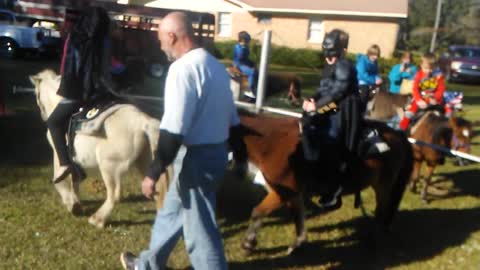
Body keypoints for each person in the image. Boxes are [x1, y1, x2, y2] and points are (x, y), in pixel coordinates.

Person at [120, 12, 240, 270]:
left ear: (172, 36)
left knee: (200, 230)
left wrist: (153, 172)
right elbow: (233, 119)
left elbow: (173, 130)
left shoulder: (182, 69)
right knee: (171, 212)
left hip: (198, 158)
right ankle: (147, 265)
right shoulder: (216, 67)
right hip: (215, 153)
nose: (161, 46)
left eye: (161, 39)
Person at [48, 6, 111, 183]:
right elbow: (109, 66)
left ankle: (65, 163)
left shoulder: (76, 39)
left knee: (53, 122)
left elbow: (69, 69)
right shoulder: (105, 40)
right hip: (101, 92)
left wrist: (67, 87)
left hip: (79, 92)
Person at [301, 29, 362, 210]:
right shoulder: (330, 66)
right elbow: (325, 88)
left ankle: (333, 190)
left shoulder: (345, 66)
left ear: (343, 51)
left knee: (331, 139)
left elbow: (338, 91)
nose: (329, 58)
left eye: (333, 54)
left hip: (343, 109)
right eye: (326, 53)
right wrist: (312, 99)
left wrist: (318, 107)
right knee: (307, 124)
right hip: (332, 105)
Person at [399, 53, 446, 131]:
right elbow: (415, 89)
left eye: (431, 69)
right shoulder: (419, 75)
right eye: (426, 68)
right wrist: (419, 100)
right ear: (421, 65)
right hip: (421, 97)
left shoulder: (438, 76)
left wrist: (435, 97)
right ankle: (403, 126)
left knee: (445, 109)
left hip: (433, 97)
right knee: (412, 108)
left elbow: (441, 88)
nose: (428, 71)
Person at [233, 31, 258, 99]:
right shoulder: (238, 47)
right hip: (239, 65)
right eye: (247, 41)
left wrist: (252, 63)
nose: (248, 42)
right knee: (251, 72)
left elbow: (246, 59)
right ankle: (248, 90)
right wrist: (243, 48)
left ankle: (255, 88)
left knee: (256, 71)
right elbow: (239, 58)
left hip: (244, 63)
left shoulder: (245, 47)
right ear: (243, 40)